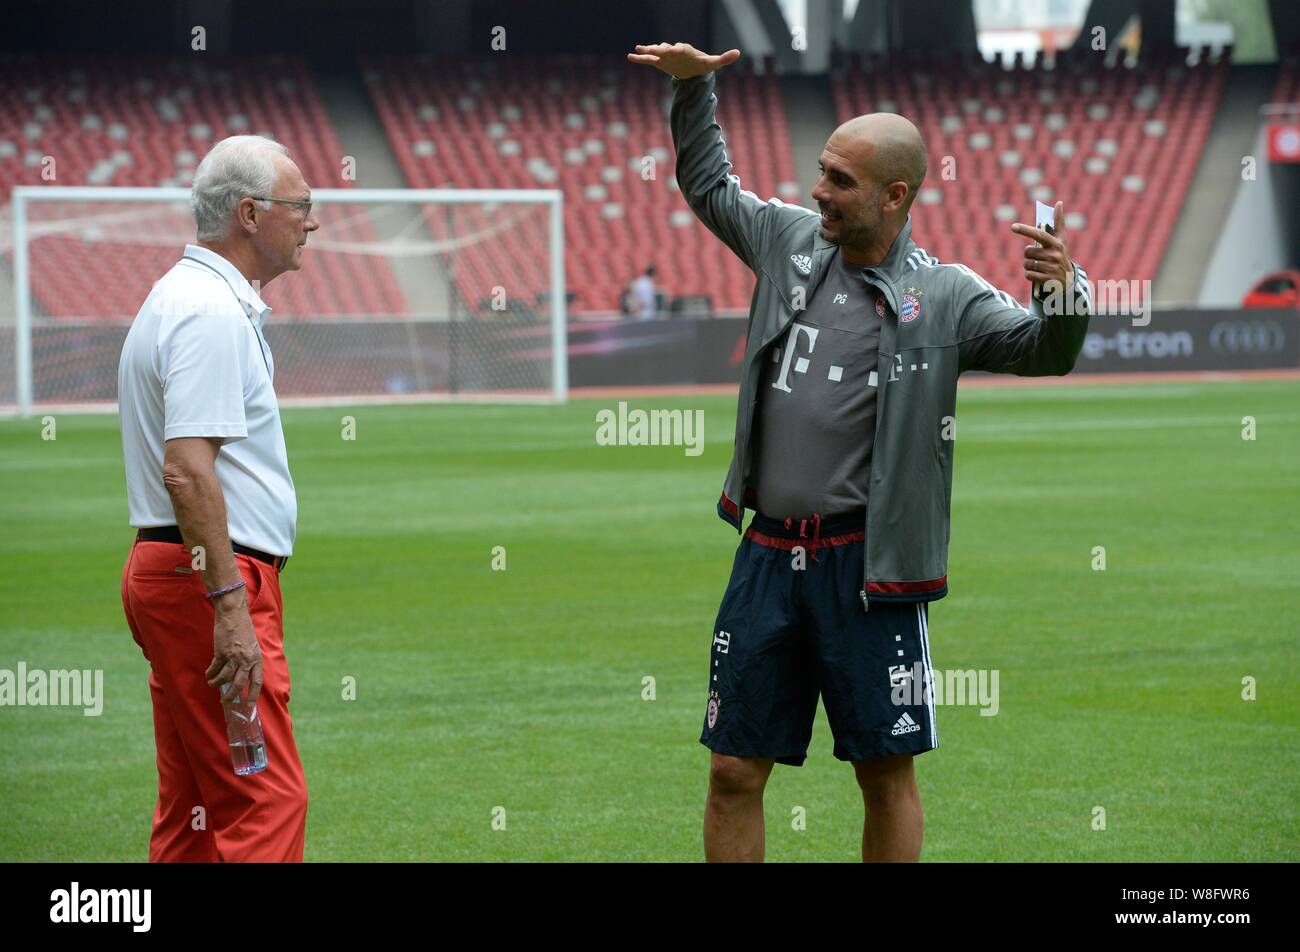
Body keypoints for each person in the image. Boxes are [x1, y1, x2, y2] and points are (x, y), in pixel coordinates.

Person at [628, 43, 1093, 862]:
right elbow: (707, 187)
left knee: (883, 774)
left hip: (869, 570)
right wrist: (697, 89)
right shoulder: (788, 241)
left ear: (895, 194)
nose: (819, 192)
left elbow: (1045, 352)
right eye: (822, 171)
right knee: (734, 768)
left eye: (841, 181)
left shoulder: (945, 296)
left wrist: (1061, 292)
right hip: (767, 555)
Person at [117, 134, 318, 862]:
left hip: (177, 573)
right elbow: (189, 470)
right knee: (263, 800)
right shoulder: (208, 312)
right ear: (249, 214)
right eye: (300, 205)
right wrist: (229, 604)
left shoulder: (184, 298)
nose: (312, 221)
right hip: (206, 582)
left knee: (196, 808)